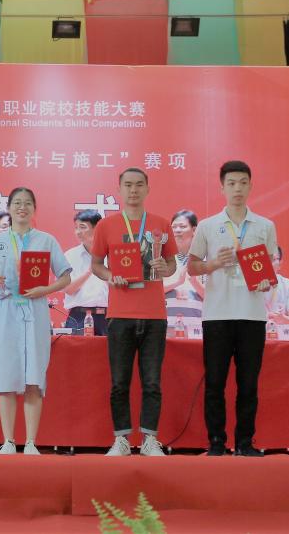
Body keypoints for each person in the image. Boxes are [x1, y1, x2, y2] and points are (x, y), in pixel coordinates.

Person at [188, 160, 278, 457]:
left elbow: (270, 269)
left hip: (253, 315)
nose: (237, 188)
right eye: (231, 183)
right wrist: (214, 263)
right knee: (215, 382)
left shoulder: (265, 226)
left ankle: (244, 443)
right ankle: (216, 442)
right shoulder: (207, 226)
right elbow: (192, 266)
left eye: (242, 183)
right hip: (217, 315)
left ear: (251, 186)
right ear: (222, 188)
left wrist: (266, 281)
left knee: (248, 384)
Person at [0, 187, 72, 455]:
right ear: (8, 207)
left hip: (35, 311)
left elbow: (65, 276)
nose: (22, 208)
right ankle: (8, 441)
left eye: (27, 203)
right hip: (5, 313)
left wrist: (45, 290)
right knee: (5, 376)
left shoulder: (46, 240)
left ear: (34, 209)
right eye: (17, 203)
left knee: (33, 377)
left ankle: (30, 442)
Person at [90, 168, 177, 457]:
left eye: (139, 185)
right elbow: (96, 265)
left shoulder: (161, 224)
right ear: (119, 189)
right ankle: (121, 440)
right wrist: (110, 275)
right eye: (128, 185)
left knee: (152, 382)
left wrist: (165, 268)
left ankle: (150, 439)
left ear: (148, 189)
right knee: (119, 382)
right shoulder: (107, 225)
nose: (133, 190)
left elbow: (171, 264)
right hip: (120, 313)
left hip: (154, 314)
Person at [62, 210, 109, 335]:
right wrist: (91, 270)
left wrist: (104, 272)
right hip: (78, 317)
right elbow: (68, 289)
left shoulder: (110, 254)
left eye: (82, 227)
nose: (78, 232)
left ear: (97, 228)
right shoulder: (70, 255)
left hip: (107, 317)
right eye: (76, 228)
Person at [163, 210, 206, 324]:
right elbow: (152, 293)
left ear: (194, 230)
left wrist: (194, 282)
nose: (177, 230)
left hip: (196, 322)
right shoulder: (162, 258)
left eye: (182, 226)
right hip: (167, 322)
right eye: (174, 227)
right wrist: (177, 283)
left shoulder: (204, 259)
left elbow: (213, 298)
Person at [266, 246, 289, 324]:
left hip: (279, 329)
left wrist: (283, 318)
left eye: (273, 259)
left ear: (280, 263)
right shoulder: (245, 287)